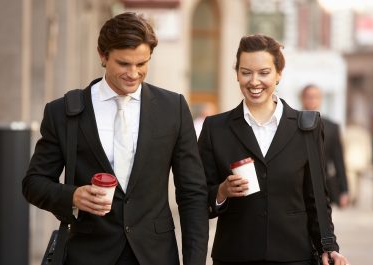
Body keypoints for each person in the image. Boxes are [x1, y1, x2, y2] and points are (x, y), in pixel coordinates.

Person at [22, 12, 209, 265]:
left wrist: (194, 261)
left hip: (155, 256)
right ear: (102, 55)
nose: (134, 73)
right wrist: (73, 196)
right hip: (88, 255)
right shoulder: (64, 111)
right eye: (124, 64)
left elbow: (192, 193)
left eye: (142, 64)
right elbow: (34, 183)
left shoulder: (172, 108)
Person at [197, 34, 349, 265]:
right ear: (236, 73)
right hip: (235, 256)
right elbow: (197, 199)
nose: (254, 81)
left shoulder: (306, 127)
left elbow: (316, 197)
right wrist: (221, 192)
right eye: (246, 72)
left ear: (278, 74)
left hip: (295, 256)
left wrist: (329, 247)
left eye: (264, 73)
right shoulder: (215, 129)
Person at [300, 84, 350, 208]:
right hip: (299, 185)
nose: (311, 100)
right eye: (308, 97)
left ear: (321, 99)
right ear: (302, 99)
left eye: (315, 97)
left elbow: (339, 160)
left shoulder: (332, 127)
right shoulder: (291, 125)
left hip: (324, 186)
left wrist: (344, 190)